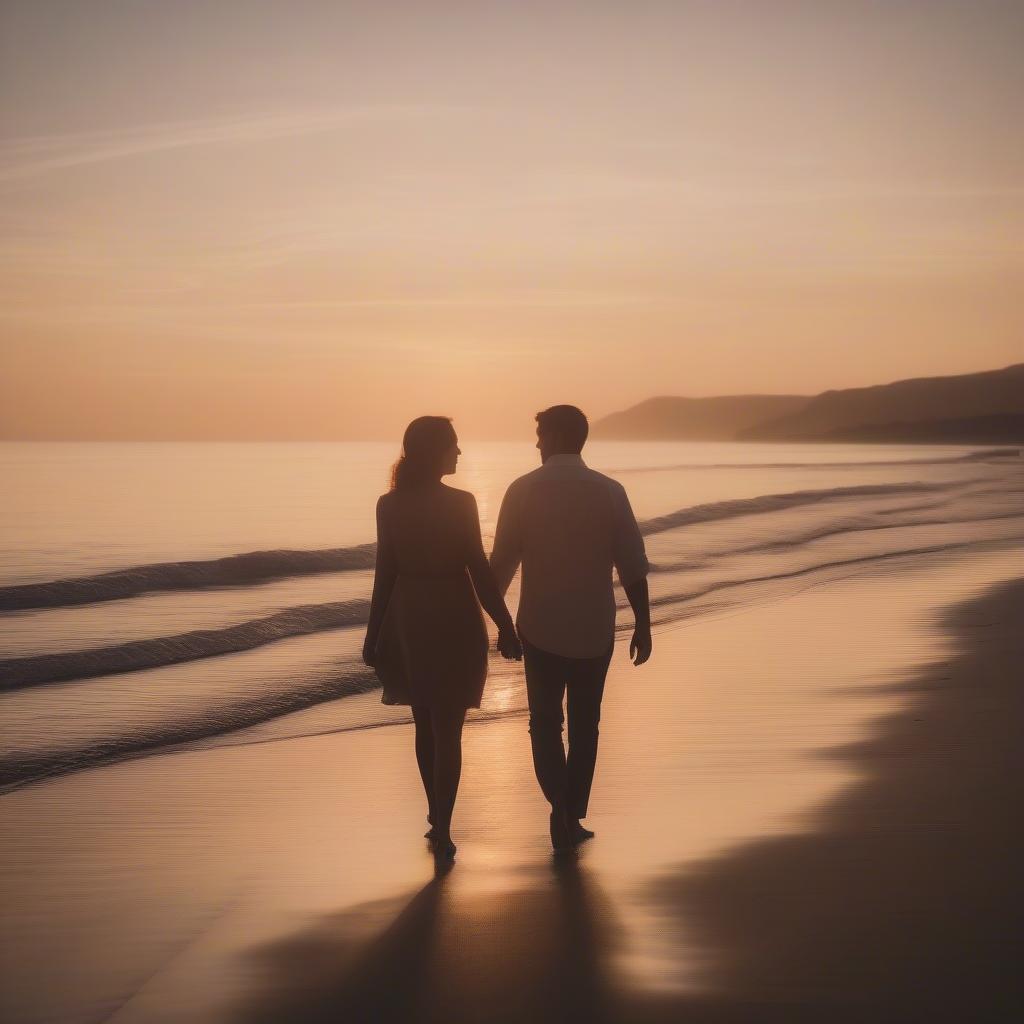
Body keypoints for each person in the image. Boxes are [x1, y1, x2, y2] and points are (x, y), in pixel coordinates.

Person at [490, 405, 651, 852]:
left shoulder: (522, 490)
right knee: (586, 726)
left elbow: (500, 565)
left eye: (540, 434)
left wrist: (495, 622)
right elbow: (632, 567)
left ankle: (560, 804)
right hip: (594, 627)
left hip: (539, 628)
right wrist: (644, 625)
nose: (536, 443)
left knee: (544, 724)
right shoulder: (610, 491)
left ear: (559, 435)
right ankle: (570, 812)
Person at [362, 416, 522, 861]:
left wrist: (374, 634)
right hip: (453, 613)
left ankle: (436, 815)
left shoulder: (388, 505)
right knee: (448, 728)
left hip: (409, 617)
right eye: (453, 445)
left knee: (423, 722)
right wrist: (505, 626)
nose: (459, 453)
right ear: (435, 451)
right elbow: (480, 570)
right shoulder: (461, 503)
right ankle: (444, 823)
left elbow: (385, 574)